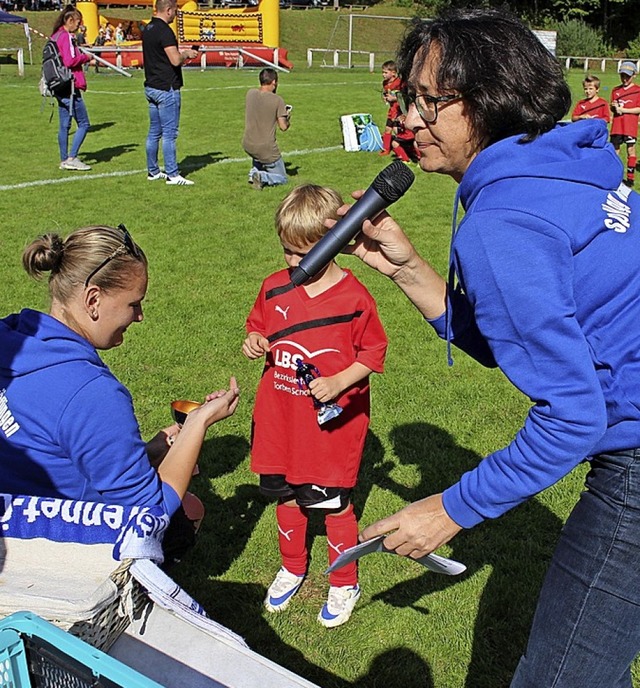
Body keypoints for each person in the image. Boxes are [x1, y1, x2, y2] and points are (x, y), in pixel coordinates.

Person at [339, 9, 640, 687]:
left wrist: (448, 510)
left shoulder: (504, 223)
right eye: (407, 98)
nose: (409, 119)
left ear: (489, 100)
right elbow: (529, 338)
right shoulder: (563, 165)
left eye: (426, 101)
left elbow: (572, 416)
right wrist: (407, 268)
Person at [0, 224, 240, 563]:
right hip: (58, 547)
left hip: (15, 522)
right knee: (190, 510)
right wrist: (198, 424)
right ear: (93, 300)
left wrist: (154, 450)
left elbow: (55, 450)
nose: (139, 317)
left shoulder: (13, 339)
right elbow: (149, 514)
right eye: (134, 304)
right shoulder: (90, 393)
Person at [242, 184, 387, 627]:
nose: (291, 262)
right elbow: (256, 327)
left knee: (331, 505)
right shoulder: (273, 289)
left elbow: (373, 355)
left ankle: (344, 580)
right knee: (286, 498)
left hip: (327, 431)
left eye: (301, 252)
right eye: (285, 250)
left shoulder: (354, 298)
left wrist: (339, 381)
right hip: (279, 423)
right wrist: (254, 340)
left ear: (335, 243)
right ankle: (292, 565)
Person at [141, 0, 199, 186]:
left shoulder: (148, 28)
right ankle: (173, 174)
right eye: (175, 10)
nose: (176, 14)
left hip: (151, 86)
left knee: (154, 132)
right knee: (169, 134)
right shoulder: (165, 31)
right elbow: (174, 60)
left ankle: (153, 171)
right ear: (168, 10)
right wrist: (186, 54)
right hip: (166, 88)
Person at [50, 5, 95, 172]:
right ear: (69, 21)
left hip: (58, 85)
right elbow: (70, 61)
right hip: (69, 85)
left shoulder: (55, 36)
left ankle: (64, 158)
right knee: (84, 123)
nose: (79, 26)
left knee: (64, 125)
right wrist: (86, 57)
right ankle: (72, 157)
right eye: (78, 22)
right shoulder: (66, 37)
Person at [242, 68, 290, 190]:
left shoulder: (250, 94)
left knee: (258, 156)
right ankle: (261, 176)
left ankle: (253, 173)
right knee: (283, 178)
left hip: (248, 144)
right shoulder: (277, 100)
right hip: (266, 148)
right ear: (274, 82)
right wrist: (287, 116)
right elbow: (283, 127)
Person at [610, 60, 640, 187]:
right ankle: (614, 175)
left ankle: (630, 178)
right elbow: (612, 108)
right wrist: (614, 107)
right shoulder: (615, 90)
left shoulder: (638, 91)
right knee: (614, 151)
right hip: (617, 125)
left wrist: (624, 110)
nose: (625, 79)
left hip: (630, 126)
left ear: (634, 75)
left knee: (630, 150)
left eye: (627, 76)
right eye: (622, 76)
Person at [379, 60, 403, 156]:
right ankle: (386, 149)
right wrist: (385, 98)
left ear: (393, 73)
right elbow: (385, 93)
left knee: (400, 132)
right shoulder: (385, 83)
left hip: (400, 110)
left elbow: (405, 96)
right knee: (388, 129)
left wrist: (394, 98)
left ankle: (408, 150)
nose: (383, 75)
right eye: (382, 72)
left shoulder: (399, 83)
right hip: (392, 110)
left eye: (385, 72)